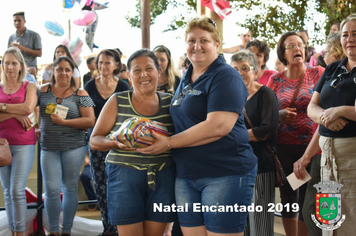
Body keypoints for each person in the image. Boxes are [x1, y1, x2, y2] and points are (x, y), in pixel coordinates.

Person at [138, 16, 257, 236]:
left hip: (224, 173)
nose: (197, 46)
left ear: (217, 45)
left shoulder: (226, 76)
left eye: (204, 40)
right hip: (186, 175)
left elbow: (218, 126)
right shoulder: (186, 76)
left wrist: (169, 143)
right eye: (191, 40)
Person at [90, 49, 176, 236]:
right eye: (136, 70)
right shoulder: (117, 100)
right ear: (129, 76)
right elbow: (95, 140)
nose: (143, 75)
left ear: (159, 71)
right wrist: (116, 143)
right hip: (123, 179)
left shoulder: (171, 103)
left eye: (149, 68)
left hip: (163, 177)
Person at [267, 31, 324, 236]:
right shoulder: (275, 80)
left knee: (307, 199)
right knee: (289, 197)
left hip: (310, 149)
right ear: (283, 53)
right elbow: (266, 112)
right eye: (290, 46)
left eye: (300, 44)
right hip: (283, 149)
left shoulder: (318, 73)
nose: (296, 49)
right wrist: (279, 115)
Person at [306, 14, 356, 235]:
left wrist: (341, 111)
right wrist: (326, 116)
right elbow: (312, 107)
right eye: (345, 35)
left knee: (351, 221)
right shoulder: (333, 68)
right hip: (327, 160)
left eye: (355, 34)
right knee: (330, 220)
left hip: (352, 160)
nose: (349, 39)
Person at [293, 31, 345, 236]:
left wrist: (305, 157)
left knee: (318, 212)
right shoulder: (332, 74)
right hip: (320, 153)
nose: (323, 54)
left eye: (327, 50)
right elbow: (316, 113)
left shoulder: (339, 81)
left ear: (336, 51)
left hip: (325, 154)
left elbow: (324, 127)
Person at [38, 56, 95, 236]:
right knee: (52, 190)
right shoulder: (41, 91)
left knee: (69, 189)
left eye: (67, 70)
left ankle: (67, 231)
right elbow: (31, 111)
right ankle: (53, 231)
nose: (63, 73)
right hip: (48, 148)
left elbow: (90, 120)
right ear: (53, 71)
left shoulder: (81, 93)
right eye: (60, 69)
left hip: (74, 148)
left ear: (73, 72)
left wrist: (64, 123)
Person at [231, 50, 279, 236]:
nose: (240, 72)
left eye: (245, 68)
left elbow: (266, 130)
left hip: (261, 167)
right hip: (236, 169)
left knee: (261, 227)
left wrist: (235, 136)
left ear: (256, 71)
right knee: (242, 227)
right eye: (235, 69)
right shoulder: (232, 97)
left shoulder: (265, 94)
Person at [84, 49, 130, 236]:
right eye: (100, 62)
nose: (103, 66)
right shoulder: (89, 86)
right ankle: (108, 229)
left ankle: (122, 229)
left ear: (116, 65)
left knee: (119, 188)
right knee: (101, 189)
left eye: (107, 63)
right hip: (96, 144)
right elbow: (85, 116)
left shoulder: (124, 86)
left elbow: (128, 115)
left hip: (119, 145)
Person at [0, 46, 37, 236]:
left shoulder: (29, 86)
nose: (10, 67)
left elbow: (29, 107)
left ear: (21, 66)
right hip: (1, 145)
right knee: (7, 191)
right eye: (7, 63)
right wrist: (17, 111)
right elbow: (22, 109)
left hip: (24, 143)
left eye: (14, 63)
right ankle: (14, 231)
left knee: (16, 190)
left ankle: (20, 232)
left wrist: (2, 107)